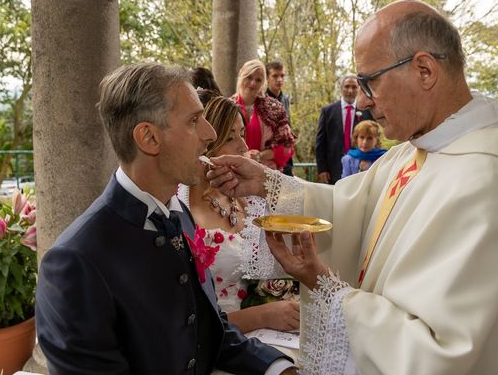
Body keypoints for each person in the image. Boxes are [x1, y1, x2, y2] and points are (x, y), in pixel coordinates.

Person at [207, 0, 498, 374]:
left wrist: (323, 285)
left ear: (424, 70)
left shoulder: (490, 184)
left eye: (370, 81)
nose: (363, 101)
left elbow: (437, 354)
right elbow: (349, 207)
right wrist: (268, 186)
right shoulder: (417, 151)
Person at [35, 63, 296, 374]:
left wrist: (279, 368)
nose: (209, 134)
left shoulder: (178, 214)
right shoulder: (74, 262)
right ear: (149, 137)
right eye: (194, 121)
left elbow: (208, 331)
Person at [178, 95, 300, 334]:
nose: (243, 147)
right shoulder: (180, 207)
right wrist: (262, 315)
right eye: (231, 137)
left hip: (265, 336)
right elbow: (184, 320)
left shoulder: (250, 201)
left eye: (242, 134)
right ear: (206, 144)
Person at [232, 59, 295, 172]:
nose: (253, 83)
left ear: (263, 83)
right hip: (233, 172)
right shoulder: (227, 106)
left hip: (265, 174)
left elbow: (287, 146)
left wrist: (260, 156)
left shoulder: (275, 108)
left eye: (258, 80)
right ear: (241, 75)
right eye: (249, 77)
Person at [315, 75, 373, 184]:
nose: (350, 91)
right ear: (341, 88)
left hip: (360, 169)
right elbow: (320, 143)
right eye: (347, 86)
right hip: (333, 169)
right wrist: (322, 169)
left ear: (359, 89)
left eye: (354, 87)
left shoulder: (367, 112)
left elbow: (374, 140)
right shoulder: (327, 111)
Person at [266, 60, 294, 176]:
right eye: (275, 76)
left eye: (282, 76)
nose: (279, 79)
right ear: (267, 78)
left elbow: (288, 128)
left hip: (286, 157)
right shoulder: (263, 100)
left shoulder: (285, 99)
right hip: (269, 156)